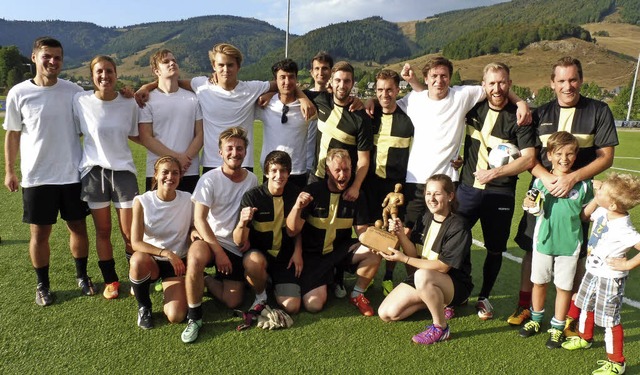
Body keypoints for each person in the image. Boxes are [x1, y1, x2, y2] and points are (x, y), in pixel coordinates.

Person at [510, 57, 618, 332]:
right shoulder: (540, 114)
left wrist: (573, 178)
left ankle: (571, 315)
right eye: (561, 80)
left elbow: (605, 157)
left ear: (580, 80)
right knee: (531, 250)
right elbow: (529, 158)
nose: (567, 86)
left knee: (577, 255)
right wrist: (547, 178)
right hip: (543, 193)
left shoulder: (598, 110)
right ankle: (527, 307)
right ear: (552, 83)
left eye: (572, 80)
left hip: (577, 197)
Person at [386, 57, 530, 231]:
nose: (439, 81)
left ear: (450, 77)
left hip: (447, 181)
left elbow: (496, 88)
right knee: (406, 230)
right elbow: (387, 105)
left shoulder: (463, 95)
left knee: (442, 234)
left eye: (444, 76)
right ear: (426, 79)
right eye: (434, 76)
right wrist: (370, 102)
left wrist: (521, 102)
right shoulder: (413, 99)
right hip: (416, 180)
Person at [3, 37, 93, 306]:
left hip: (71, 175)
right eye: (47, 57)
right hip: (37, 176)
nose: (53, 62)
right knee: (40, 234)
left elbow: (98, 107)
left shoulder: (74, 91)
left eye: (58, 57)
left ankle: (82, 276)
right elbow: (12, 134)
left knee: (77, 227)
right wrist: (10, 170)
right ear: (34, 58)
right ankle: (42, 285)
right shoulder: (18, 93)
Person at [136, 43, 314, 172]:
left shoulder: (251, 88)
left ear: (238, 67)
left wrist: (303, 97)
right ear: (214, 66)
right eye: (221, 65)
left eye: (230, 65)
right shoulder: (202, 85)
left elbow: (284, 82)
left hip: (243, 163)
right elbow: (171, 80)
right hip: (212, 163)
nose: (225, 69)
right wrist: (147, 87)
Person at [456, 62, 537, 320]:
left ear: (509, 84)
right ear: (483, 85)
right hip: (467, 188)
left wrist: (494, 173)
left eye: (502, 82)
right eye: (491, 83)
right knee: (456, 240)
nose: (497, 88)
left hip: (499, 194)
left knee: (494, 249)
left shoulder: (519, 117)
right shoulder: (473, 107)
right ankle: (459, 290)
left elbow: (528, 159)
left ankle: (484, 297)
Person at [181, 127, 258, 343]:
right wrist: (218, 252)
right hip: (210, 241)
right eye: (230, 148)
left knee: (233, 301)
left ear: (245, 152)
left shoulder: (252, 180)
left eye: (240, 148)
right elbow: (199, 220)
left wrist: (248, 237)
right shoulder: (209, 179)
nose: (235, 152)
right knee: (195, 256)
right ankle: (194, 317)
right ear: (220, 153)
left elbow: (251, 214)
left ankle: (205, 280)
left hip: (234, 245)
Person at [377, 174, 473, 346]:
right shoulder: (424, 217)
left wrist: (403, 259)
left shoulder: (459, 226)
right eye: (428, 194)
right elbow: (414, 253)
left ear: (450, 196)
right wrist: (400, 234)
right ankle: (439, 302)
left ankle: (441, 327)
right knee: (387, 313)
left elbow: (443, 267)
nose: (431, 199)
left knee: (421, 275)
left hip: (454, 283)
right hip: (426, 279)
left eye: (437, 194)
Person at [73, 55, 139, 300]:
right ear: (92, 75)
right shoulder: (80, 101)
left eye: (109, 71)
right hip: (93, 173)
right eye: (99, 72)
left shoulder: (128, 103)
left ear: (116, 74)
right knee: (103, 230)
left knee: (129, 233)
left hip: (123, 173)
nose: (104, 76)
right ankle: (111, 280)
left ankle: (136, 277)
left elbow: (134, 133)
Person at [518, 131, 593, 349]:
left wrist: (597, 203)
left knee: (563, 287)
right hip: (543, 242)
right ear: (549, 155)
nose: (564, 158)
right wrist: (530, 206)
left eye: (570, 154)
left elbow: (585, 214)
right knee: (539, 283)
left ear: (576, 156)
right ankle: (535, 319)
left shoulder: (583, 185)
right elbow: (531, 205)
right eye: (559, 153)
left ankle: (558, 327)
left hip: (569, 246)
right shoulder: (541, 181)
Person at [562, 173, 640, 375]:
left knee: (609, 319)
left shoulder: (624, 228)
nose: (599, 189)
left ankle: (617, 362)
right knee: (585, 304)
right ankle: (584, 337)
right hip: (592, 271)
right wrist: (597, 199)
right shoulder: (604, 212)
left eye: (603, 190)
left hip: (610, 278)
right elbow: (585, 216)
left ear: (613, 205)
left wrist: (629, 264)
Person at [287, 149, 380, 316]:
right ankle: (332, 278)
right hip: (313, 255)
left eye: (346, 170)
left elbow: (362, 233)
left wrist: (378, 239)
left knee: (373, 252)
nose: (342, 175)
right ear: (327, 170)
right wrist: (297, 208)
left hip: (340, 251)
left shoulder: (357, 195)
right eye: (337, 170)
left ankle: (357, 293)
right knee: (314, 305)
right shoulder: (312, 191)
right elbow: (293, 230)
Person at [129, 156, 209, 329]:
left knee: (176, 315)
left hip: (178, 264)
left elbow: (192, 226)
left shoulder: (188, 199)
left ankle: (170, 286)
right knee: (137, 260)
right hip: (152, 262)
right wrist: (166, 253)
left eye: (175, 173)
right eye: (165, 172)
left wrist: (194, 232)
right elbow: (135, 242)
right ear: (156, 175)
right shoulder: (142, 201)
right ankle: (144, 307)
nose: (170, 177)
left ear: (180, 177)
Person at [363, 69, 414, 296]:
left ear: (398, 90)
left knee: (395, 233)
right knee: (373, 229)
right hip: (372, 184)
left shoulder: (409, 119)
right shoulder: (369, 116)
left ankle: (388, 277)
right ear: (375, 91)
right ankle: (368, 273)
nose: (385, 94)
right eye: (380, 90)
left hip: (398, 186)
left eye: (390, 89)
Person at [233, 151, 302, 314]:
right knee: (253, 262)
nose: (279, 175)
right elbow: (238, 241)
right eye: (274, 171)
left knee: (292, 306)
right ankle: (260, 295)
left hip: (285, 257)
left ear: (289, 172)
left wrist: (298, 251)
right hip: (260, 254)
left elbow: (298, 230)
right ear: (266, 172)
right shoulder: (253, 196)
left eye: (283, 170)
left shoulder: (295, 194)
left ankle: (267, 280)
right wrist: (242, 223)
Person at [138, 49, 203, 193]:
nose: (172, 63)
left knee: (189, 214)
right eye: (166, 61)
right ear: (156, 71)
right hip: (158, 170)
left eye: (174, 60)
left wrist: (185, 159)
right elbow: (146, 137)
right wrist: (177, 159)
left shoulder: (193, 98)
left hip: (189, 170)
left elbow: (200, 134)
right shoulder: (147, 100)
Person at [255, 59, 309, 189]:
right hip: (271, 171)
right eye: (282, 77)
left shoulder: (307, 106)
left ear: (296, 79)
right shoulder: (265, 104)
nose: (287, 82)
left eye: (291, 77)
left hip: (297, 171)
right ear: (276, 80)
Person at [305, 51, 333, 175]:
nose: (320, 72)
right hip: (302, 162)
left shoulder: (335, 100)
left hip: (325, 164)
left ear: (331, 71)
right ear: (311, 72)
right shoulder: (303, 97)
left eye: (325, 68)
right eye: (317, 68)